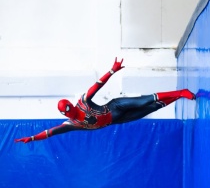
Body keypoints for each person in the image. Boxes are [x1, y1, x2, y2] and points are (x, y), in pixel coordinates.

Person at [14, 58, 195, 143]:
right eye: (67, 111)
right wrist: (31, 138)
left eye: (69, 109)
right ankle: (178, 95)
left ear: (69, 106)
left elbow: (98, 84)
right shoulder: (72, 123)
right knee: (149, 109)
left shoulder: (83, 102)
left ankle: (181, 91)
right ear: (65, 112)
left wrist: (112, 70)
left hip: (115, 106)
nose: (70, 111)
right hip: (116, 119)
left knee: (144, 102)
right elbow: (49, 133)